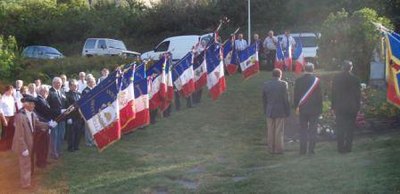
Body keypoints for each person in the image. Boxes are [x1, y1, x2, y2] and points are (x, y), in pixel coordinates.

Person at [12, 96, 56, 188]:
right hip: (23, 142)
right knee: (25, 163)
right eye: (32, 104)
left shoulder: (32, 114)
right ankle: (25, 184)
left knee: (29, 161)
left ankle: (27, 179)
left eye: (34, 104)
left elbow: (38, 123)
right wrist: (23, 148)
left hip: (30, 141)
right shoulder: (20, 116)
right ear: (26, 104)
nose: (34, 105)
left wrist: (48, 124)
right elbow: (19, 134)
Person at [331, 61, 361, 153]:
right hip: (352, 106)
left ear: (342, 67)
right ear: (351, 68)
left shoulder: (336, 78)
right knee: (350, 128)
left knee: (340, 127)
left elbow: (333, 93)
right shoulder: (355, 79)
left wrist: (333, 106)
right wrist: (358, 106)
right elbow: (358, 95)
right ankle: (348, 148)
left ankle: (340, 148)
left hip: (339, 106)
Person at [294, 63, 322, 155]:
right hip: (314, 109)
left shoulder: (298, 80)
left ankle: (302, 150)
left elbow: (296, 96)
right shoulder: (316, 80)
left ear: (304, 69)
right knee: (313, 130)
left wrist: (296, 107)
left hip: (303, 108)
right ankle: (311, 150)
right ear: (312, 69)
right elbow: (319, 97)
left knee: (303, 130)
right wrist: (320, 109)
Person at [262, 68, 290, 154]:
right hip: (280, 110)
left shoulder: (266, 84)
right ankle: (278, 149)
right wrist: (287, 110)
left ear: (272, 75)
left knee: (270, 130)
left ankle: (270, 149)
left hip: (269, 110)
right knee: (279, 131)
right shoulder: (283, 84)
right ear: (280, 75)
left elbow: (264, 99)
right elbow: (286, 99)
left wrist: (265, 109)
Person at [47, 77, 67, 159]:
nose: (59, 84)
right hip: (54, 118)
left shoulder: (62, 91)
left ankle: (58, 150)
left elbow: (65, 103)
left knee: (61, 135)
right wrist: (59, 111)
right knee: (54, 136)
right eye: (57, 83)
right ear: (53, 83)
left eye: (60, 83)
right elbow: (48, 107)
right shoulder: (49, 92)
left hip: (62, 118)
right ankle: (53, 153)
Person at [34, 85, 54, 168]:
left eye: (47, 92)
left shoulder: (43, 99)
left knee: (46, 143)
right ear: (41, 91)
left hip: (46, 123)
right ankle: (40, 162)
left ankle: (44, 160)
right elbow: (45, 111)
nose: (47, 93)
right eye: (46, 92)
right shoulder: (38, 100)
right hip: (42, 125)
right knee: (41, 144)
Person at [65, 79, 84, 151]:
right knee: (71, 133)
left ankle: (76, 146)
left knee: (78, 132)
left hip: (79, 116)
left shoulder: (79, 94)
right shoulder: (67, 94)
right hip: (71, 116)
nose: (76, 87)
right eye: (74, 85)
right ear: (70, 86)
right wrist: (69, 117)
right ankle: (70, 147)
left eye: (76, 85)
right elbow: (67, 106)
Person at [0, 85, 16, 151]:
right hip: (5, 117)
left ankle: (9, 146)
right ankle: (3, 147)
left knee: (11, 132)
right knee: (5, 132)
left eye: (12, 91)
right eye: (10, 90)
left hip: (12, 116)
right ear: (7, 90)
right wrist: (4, 119)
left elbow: (13, 108)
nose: (11, 92)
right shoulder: (2, 98)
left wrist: (14, 116)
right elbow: (0, 109)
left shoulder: (12, 98)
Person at [82, 77, 96, 146]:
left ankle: (93, 140)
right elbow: (85, 102)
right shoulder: (85, 91)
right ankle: (88, 141)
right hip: (88, 111)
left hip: (93, 110)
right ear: (88, 83)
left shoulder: (94, 89)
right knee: (88, 127)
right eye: (92, 82)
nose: (94, 83)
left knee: (93, 126)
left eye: (94, 82)